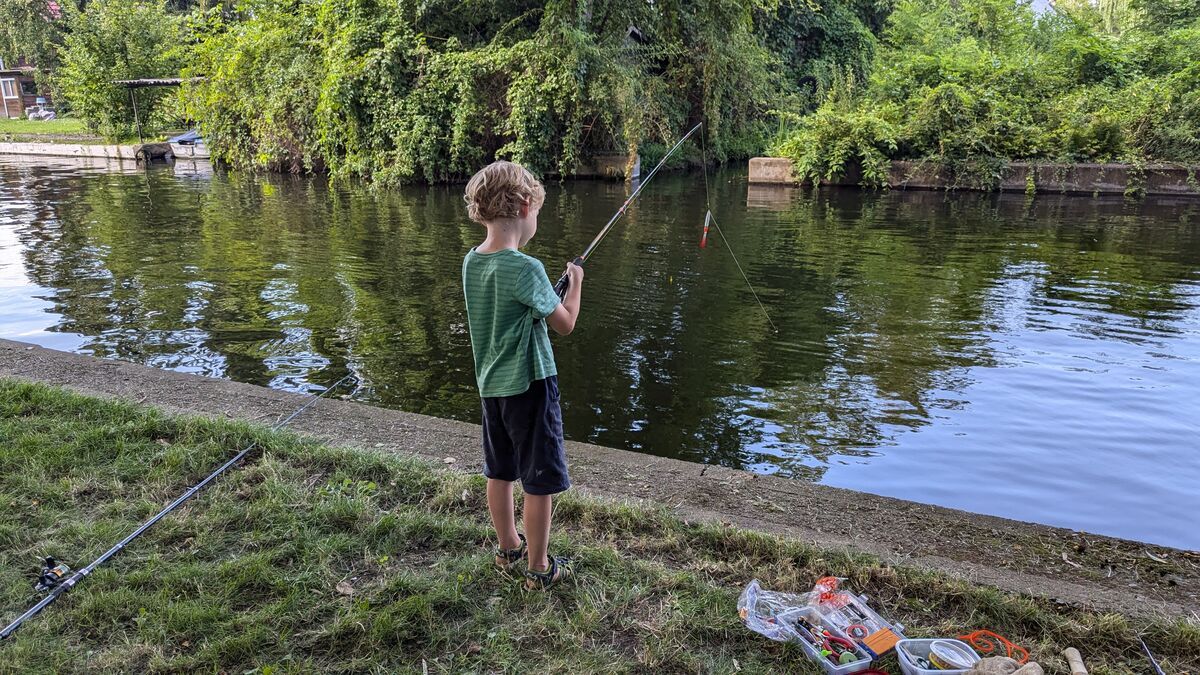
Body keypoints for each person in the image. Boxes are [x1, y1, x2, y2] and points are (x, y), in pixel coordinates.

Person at [461, 160, 583, 589]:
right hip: (530, 386)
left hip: (492, 387)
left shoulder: (471, 262)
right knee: (538, 480)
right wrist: (576, 281)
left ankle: (507, 547)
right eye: (538, 213)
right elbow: (565, 322)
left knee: (500, 471)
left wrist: (544, 297)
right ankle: (538, 567)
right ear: (526, 205)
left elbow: (508, 314)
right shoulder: (526, 268)